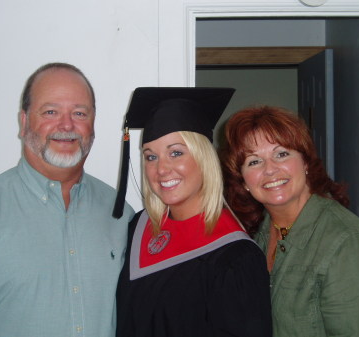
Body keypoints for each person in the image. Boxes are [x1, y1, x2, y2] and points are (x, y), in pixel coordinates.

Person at [0, 62, 135, 337]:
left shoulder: (121, 214)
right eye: (50, 112)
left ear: (93, 124)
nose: (66, 125)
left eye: (79, 113)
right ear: (24, 121)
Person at [220, 105, 359, 337]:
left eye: (281, 154)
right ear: (243, 182)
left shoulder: (348, 245)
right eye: (254, 162)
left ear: (305, 162)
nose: (270, 170)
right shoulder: (257, 237)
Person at [113, 87, 272, 337]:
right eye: (150, 157)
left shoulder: (234, 257)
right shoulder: (137, 228)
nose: (161, 169)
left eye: (176, 153)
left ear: (203, 158)